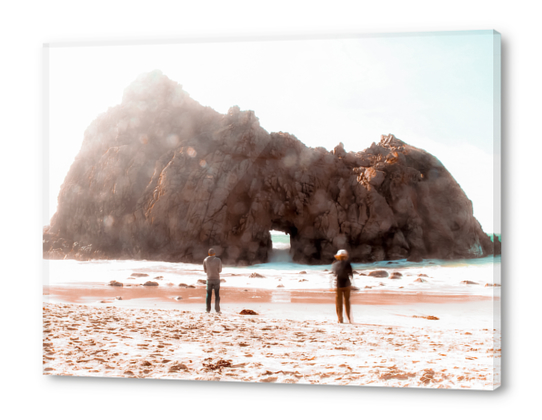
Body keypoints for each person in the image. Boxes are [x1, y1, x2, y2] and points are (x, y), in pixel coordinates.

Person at [331, 249, 353, 323]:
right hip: (347, 285)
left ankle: (340, 319)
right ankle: (349, 318)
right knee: (347, 302)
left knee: (338, 303)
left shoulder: (335, 264)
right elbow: (351, 275)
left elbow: (333, 275)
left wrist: (331, 286)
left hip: (338, 285)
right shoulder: (348, 264)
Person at [203, 248, 222, 313]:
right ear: (214, 254)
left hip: (209, 279)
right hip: (216, 279)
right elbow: (220, 270)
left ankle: (207, 310)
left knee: (208, 294)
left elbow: (205, 271)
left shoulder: (205, 260)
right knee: (217, 295)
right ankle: (217, 310)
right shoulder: (218, 260)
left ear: (208, 254)